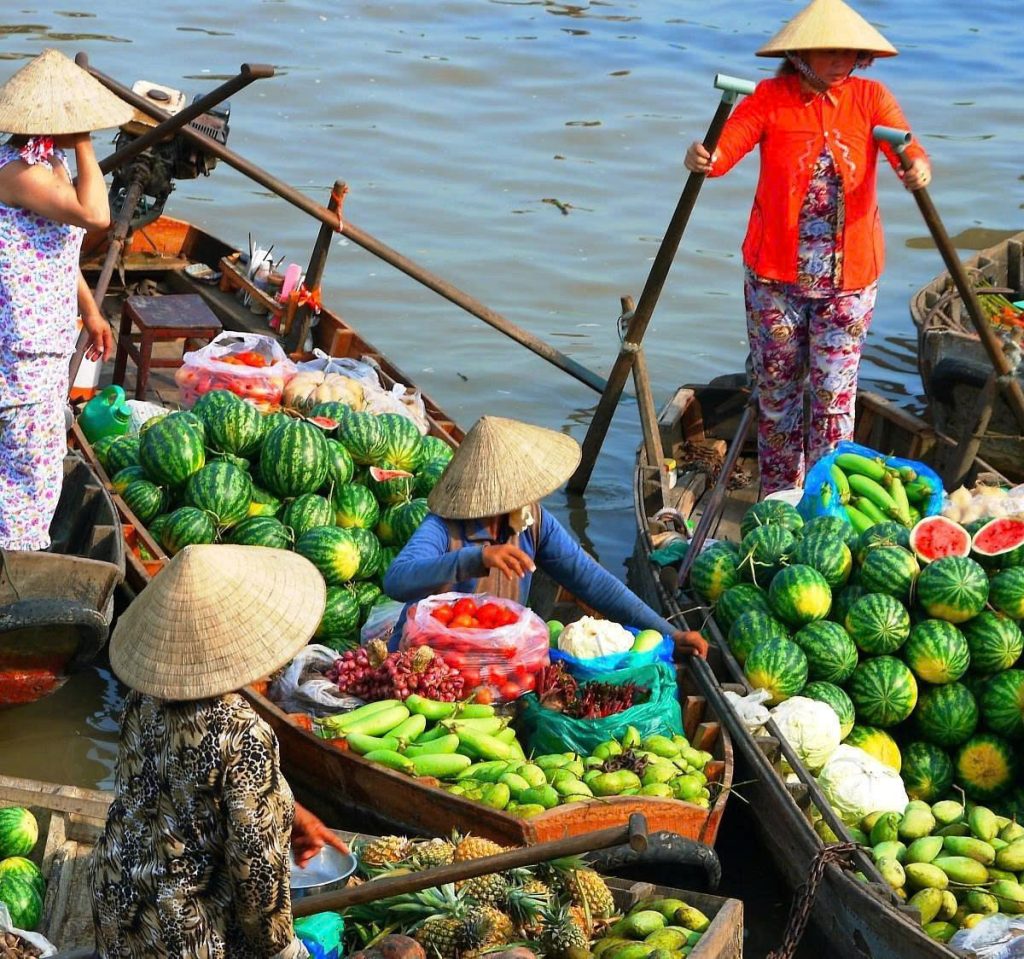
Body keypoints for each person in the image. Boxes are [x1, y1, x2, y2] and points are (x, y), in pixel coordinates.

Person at [683, 0, 931, 495]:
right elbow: (726, 149)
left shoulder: (871, 98)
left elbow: (907, 149)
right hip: (775, 281)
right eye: (828, 52)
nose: (840, 61)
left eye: (848, 52)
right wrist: (703, 156)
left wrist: (917, 167)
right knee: (778, 398)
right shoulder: (770, 98)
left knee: (834, 401)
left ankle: (824, 499)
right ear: (800, 55)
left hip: (849, 283)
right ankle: (780, 496)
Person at [91, 544, 349, 959]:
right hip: (184, 938)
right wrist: (285, 950)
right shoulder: (243, 733)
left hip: (116, 907)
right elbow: (257, 874)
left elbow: (183, 789)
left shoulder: (143, 698)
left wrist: (290, 811)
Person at [383, 415, 708, 658]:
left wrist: (667, 632)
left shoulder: (533, 521)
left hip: (495, 658)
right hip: (428, 659)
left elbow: (591, 580)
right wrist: (476, 558)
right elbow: (396, 580)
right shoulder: (443, 527)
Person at [0, 49, 124, 550]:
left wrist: (90, 311)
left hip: (45, 340)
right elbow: (96, 215)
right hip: (20, 350)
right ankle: (16, 566)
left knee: (37, 459)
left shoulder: (47, 164)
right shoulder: (18, 172)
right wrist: (85, 143)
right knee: (28, 472)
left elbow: (54, 250)